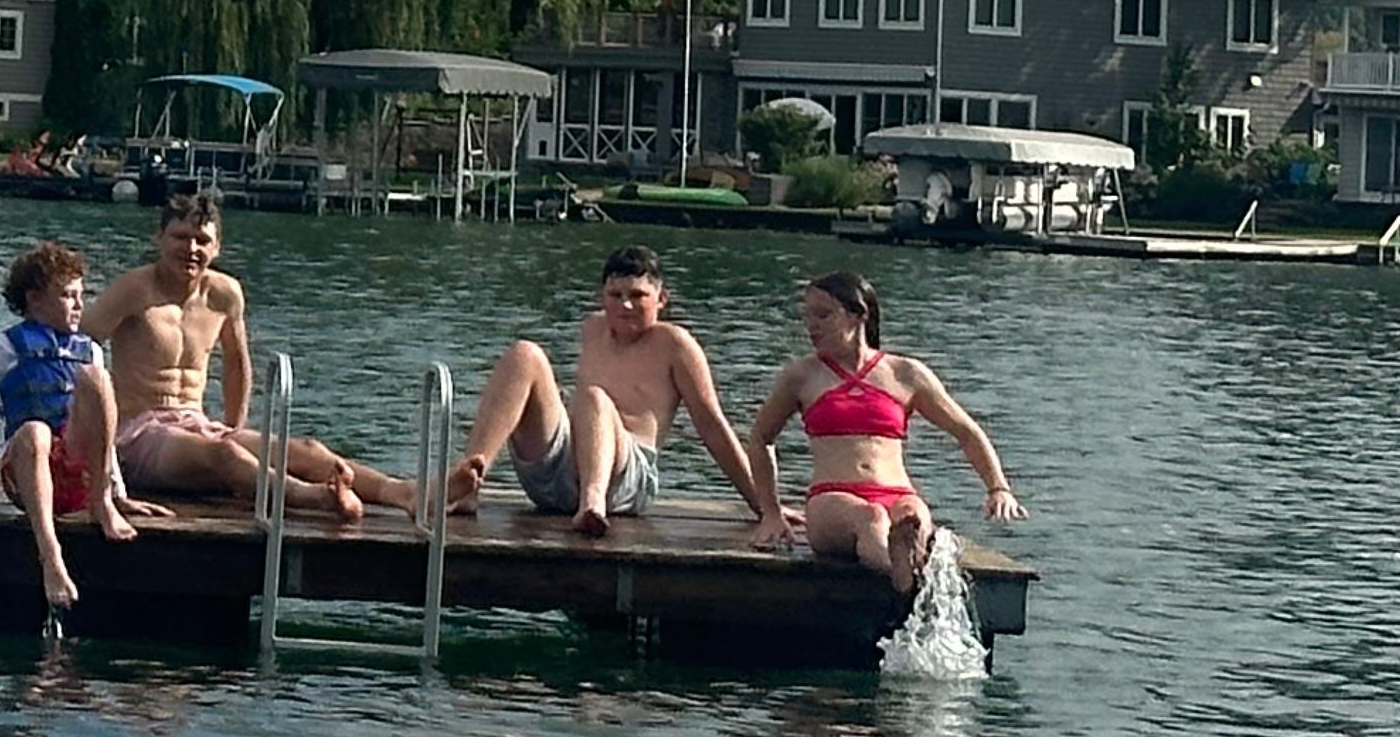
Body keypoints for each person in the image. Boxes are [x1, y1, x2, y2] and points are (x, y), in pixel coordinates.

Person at [84, 193, 417, 523]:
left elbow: (236, 363)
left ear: (217, 248)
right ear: (159, 239)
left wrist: (234, 426)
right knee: (226, 454)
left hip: (196, 423)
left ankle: (401, 492)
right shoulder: (134, 289)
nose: (191, 249)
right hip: (138, 434)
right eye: (180, 238)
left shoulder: (224, 293)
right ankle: (316, 496)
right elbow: (79, 350)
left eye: (202, 241)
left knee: (306, 449)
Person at [441, 246, 786, 539]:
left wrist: (764, 506)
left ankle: (593, 504)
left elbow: (712, 425)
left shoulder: (675, 344)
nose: (625, 306)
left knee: (594, 398)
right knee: (524, 354)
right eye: (615, 296)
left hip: (624, 481)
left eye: (638, 296)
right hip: (561, 469)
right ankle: (469, 484)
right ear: (601, 296)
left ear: (662, 299)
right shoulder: (592, 329)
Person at [745, 266, 1024, 586]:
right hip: (832, 497)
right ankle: (903, 576)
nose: (811, 327)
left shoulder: (905, 374)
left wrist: (997, 488)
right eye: (808, 317)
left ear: (857, 316)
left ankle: (907, 561)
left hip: (896, 491)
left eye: (823, 316)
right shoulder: (801, 376)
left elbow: (966, 431)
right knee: (870, 518)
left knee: (912, 517)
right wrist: (771, 512)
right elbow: (761, 437)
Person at [0, 240, 140, 609]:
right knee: (35, 430)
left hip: (78, 476)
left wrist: (119, 491)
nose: (80, 305)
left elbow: (104, 433)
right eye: (68, 296)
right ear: (35, 300)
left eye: (81, 295)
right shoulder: (2, 348)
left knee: (98, 381)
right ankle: (51, 558)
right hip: (29, 475)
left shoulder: (90, 350)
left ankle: (103, 504)